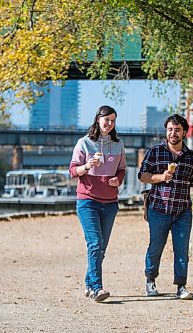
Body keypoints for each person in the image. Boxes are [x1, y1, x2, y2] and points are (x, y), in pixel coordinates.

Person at [138, 114, 193, 300]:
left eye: (177, 130)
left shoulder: (191, 157)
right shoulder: (155, 152)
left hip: (182, 211)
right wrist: (161, 177)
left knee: (181, 249)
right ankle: (150, 280)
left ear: (184, 132)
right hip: (158, 209)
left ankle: (181, 286)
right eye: (170, 129)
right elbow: (142, 175)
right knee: (155, 247)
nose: (173, 133)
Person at [69, 105, 126, 302]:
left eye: (113, 120)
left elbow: (122, 170)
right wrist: (87, 166)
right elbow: (73, 171)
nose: (109, 123)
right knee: (94, 243)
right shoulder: (83, 143)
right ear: (98, 119)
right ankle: (96, 288)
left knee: (101, 247)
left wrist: (117, 180)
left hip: (110, 202)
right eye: (106, 119)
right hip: (88, 201)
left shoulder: (118, 144)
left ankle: (88, 282)